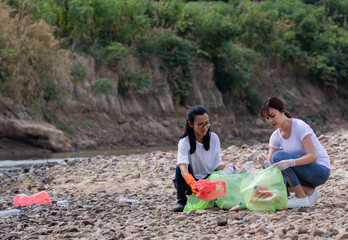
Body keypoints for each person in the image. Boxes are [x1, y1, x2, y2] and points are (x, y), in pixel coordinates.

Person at [257, 97, 331, 208]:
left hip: (320, 171)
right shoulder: (275, 136)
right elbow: (272, 169)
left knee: (278, 156)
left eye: (272, 116)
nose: (270, 121)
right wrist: (264, 163)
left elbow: (313, 156)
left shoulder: (300, 126)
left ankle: (301, 197)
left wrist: (291, 162)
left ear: (282, 111)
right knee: (271, 182)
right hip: (304, 174)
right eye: (267, 118)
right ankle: (309, 191)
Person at [172, 105, 224, 212]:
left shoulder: (214, 138)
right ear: (190, 124)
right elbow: (183, 169)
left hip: (206, 181)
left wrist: (232, 170)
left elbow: (217, 165)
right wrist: (191, 182)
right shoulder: (184, 142)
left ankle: (210, 198)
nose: (205, 127)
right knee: (178, 169)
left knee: (222, 178)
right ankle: (181, 199)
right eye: (200, 125)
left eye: (207, 123)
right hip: (190, 183)